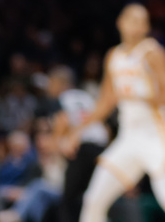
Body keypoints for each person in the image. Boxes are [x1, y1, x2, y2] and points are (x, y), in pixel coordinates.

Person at [75, 4, 165, 222]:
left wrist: (139, 95)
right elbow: (105, 102)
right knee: (93, 200)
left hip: (156, 135)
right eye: (133, 19)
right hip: (128, 137)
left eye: (143, 21)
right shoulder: (113, 56)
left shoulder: (152, 53)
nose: (138, 25)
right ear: (120, 22)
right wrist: (76, 131)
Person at [43, 66, 109, 222]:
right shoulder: (86, 97)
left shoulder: (61, 98)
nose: (48, 87)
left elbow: (63, 121)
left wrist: (55, 144)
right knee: (90, 198)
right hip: (101, 148)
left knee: (68, 200)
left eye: (50, 83)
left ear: (60, 83)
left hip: (80, 148)